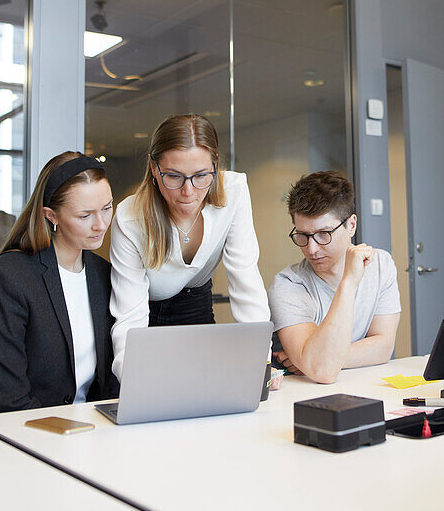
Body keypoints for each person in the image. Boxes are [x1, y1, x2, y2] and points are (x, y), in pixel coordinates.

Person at [109, 115, 269, 379]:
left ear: (215, 166)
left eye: (201, 176)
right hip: (149, 318)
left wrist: (260, 363)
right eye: (173, 176)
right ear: (153, 167)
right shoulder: (130, 218)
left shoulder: (235, 191)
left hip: (198, 306)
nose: (188, 191)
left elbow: (246, 282)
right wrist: (133, 381)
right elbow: (130, 320)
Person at [0, 152, 118, 416]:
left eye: (107, 208)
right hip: (21, 430)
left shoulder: (104, 274)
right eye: (85, 216)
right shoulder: (6, 278)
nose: (101, 225)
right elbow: (7, 398)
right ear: (52, 216)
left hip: (87, 430)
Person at [268, 171, 400, 384]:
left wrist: (315, 359)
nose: (311, 249)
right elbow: (323, 371)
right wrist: (349, 283)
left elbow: (384, 347)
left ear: (352, 225)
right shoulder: (288, 285)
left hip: (359, 384)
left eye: (323, 234)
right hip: (302, 396)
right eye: (302, 235)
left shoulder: (381, 265)